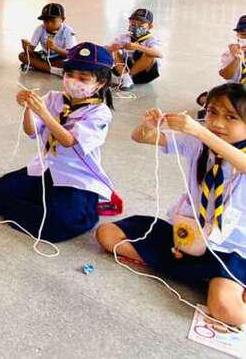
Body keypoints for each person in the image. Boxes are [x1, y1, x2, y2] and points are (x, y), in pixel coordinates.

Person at [96, 83, 246, 329]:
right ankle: (202, 277)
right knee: (107, 234)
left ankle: (205, 276)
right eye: (212, 112)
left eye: (231, 117)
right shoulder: (198, 143)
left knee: (228, 312)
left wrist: (200, 132)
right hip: (186, 233)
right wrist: (149, 126)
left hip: (229, 248)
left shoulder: (208, 140)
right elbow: (141, 137)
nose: (218, 123)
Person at [0, 43, 116, 242]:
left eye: (83, 78)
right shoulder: (54, 98)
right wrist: (28, 108)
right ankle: (42, 208)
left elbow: (69, 140)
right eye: (69, 74)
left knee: (60, 223)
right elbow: (31, 131)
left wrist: (44, 113)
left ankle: (63, 210)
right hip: (47, 167)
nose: (73, 82)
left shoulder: (100, 113)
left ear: (100, 83)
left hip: (77, 176)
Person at [107, 8, 163, 90]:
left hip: (144, 74)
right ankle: (126, 79)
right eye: (133, 23)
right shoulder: (123, 37)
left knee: (150, 54)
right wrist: (112, 48)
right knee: (113, 50)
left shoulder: (152, 40)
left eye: (141, 24)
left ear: (150, 26)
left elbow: (159, 54)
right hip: (124, 70)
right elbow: (107, 49)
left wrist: (137, 47)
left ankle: (128, 78)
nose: (136, 26)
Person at [19, 3, 77, 76]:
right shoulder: (40, 29)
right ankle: (55, 70)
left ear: (62, 19)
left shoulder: (68, 31)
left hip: (60, 57)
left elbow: (71, 54)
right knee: (22, 56)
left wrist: (55, 48)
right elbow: (31, 50)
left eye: (53, 21)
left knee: (72, 63)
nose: (49, 24)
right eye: (45, 21)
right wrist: (26, 47)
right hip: (45, 56)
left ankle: (37, 66)